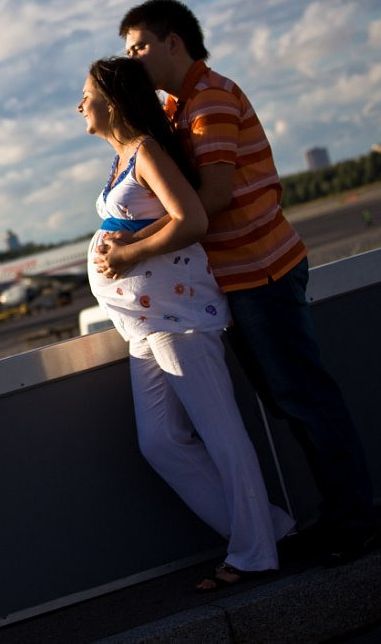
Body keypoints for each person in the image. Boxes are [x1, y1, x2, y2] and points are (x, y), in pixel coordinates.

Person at [103, 0, 381, 565]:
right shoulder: (181, 107)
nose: (132, 59)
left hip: (262, 272)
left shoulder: (209, 101)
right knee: (291, 400)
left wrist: (130, 247)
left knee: (305, 400)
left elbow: (209, 201)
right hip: (240, 281)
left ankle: (354, 524)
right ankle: (340, 517)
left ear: (173, 42)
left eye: (139, 47)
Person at [79, 56, 294, 591]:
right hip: (146, 326)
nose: (79, 105)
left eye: (87, 94)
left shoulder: (147, 151)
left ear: (113, 100)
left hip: (179, 320)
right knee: (160, 442)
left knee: (224, 436)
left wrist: (126, 254)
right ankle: (266, 530)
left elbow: (192, 219)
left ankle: (254, 554)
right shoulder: (122, 158)